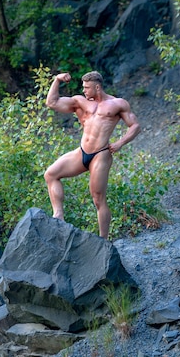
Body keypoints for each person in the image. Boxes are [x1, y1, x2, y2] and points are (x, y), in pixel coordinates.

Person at [44, 70, 141, 238]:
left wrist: (120, 142)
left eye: (87, 87)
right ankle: (58, 215)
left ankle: (103, 240)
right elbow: (51, 103)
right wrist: (57, 80)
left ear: (97, 87)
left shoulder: (117, 104)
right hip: (82, 152)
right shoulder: (80, 102)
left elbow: (135, 126)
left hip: (101, 154)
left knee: (97, 198)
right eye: (83, 87)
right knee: (51, 174)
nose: (84, 91)